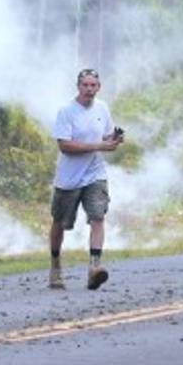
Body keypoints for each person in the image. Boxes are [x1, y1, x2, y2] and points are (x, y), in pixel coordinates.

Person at [49, 67, 124, 290]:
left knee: (98, 217)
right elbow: (64, 145)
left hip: (95, 173)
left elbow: (106, 135)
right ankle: (55, 265)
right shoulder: (66, 112)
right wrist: (98, 145)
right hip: (69, 177)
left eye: (93, 85)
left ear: (99, 87)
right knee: (60, 223)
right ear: (78, 87)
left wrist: (115, 138)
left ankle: (94, 267)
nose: (89, 89)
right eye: (86, 85)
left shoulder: (102, 108)